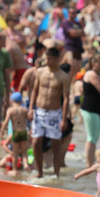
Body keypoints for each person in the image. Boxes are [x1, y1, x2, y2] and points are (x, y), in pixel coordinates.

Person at [28, 47, 70, 178]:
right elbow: (34, 90)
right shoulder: (40, 72)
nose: (46, 61)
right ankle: (40, 172)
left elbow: (66, 99)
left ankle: (56, 174)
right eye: (46, 58)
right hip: (39, 111)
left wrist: (64, 118)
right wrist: (30, 108)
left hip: (54, 113)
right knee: (35, 142)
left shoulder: (63, 76)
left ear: (57, 59)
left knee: (55, 144)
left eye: (49, 59)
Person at [0, 91, 30, 174]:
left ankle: (15, 170)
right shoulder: (24, 109)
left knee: (15, 153)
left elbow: (6, 121)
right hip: (24, 132)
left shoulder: (11, 110)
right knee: (24, 152)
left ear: (11, 101)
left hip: (15, 133)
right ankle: (26, 164)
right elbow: (28, 119)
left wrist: (1, 131)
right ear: (21, 101)